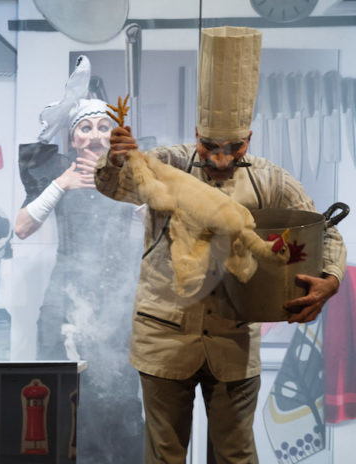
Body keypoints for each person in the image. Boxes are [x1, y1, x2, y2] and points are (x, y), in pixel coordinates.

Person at [94, 27, 347, 463]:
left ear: (250, 138)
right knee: (164, 455)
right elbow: (114, 186)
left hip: (234, 340)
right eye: (210, 146)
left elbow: (324, 230)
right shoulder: (169, 164)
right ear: (196, 134)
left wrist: (331, 280)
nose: (221, 158)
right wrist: (116, 159)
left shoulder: (270, 180)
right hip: (165, 336)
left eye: (234, 147)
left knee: (235, 455)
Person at [15, 55, 144, 463]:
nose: (94, 135)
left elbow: (163, 229)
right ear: (73, 140)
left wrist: (137, 198)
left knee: (118, 400)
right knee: (61, 404)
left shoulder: (131, 176)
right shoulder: (59, 176)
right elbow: (21, 227)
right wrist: (61, 184)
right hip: (66, 305)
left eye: (103, 127)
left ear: (113, 137)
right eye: (85, 128)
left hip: (118, 308)